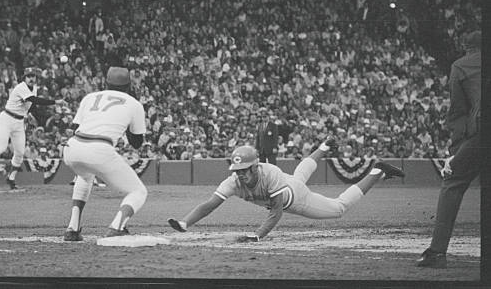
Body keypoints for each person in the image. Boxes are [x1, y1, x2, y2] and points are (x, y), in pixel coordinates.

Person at [168, 137, 404, 241]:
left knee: (339, 208)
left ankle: (376, 172)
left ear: (256, 166)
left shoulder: (268, 174)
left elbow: (277, 211)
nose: (240, 173)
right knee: (300, 173)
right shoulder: (233, 181)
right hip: (289, 183)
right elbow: (209, 205)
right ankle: (323, 146)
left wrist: (258, 235)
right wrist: (184, 222)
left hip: (295, 199)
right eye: (237, 169)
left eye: (245, 169)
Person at [416, 30, 481, 268]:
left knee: (452, 184)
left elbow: (458, 112)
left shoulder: (461, 66)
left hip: (483, 133)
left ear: (466, 46)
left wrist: (455, 151)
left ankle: (436, 253)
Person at [62, 66, 147, 241]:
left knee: (85, 177)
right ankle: (117, 226)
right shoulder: (133, 103)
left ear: (105, 83)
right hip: (99, 148)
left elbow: (74, 128)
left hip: (72, 147)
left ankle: (73, 228)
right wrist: (128, 125)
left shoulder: (90, 97)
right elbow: (137, 143)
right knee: (138, 191)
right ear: (129, 85)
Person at [0, 67, 65, 189]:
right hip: (7, 118)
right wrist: (55, 102)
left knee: (20, 153)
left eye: (33, 76)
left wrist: (30, 115)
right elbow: (33, 100)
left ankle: (11, 178)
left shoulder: (35, 88)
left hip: (19, 121)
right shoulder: (21, 87)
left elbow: (31, 105)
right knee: (1, 147)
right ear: (24, 78)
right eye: (29, 76)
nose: (31, 78)